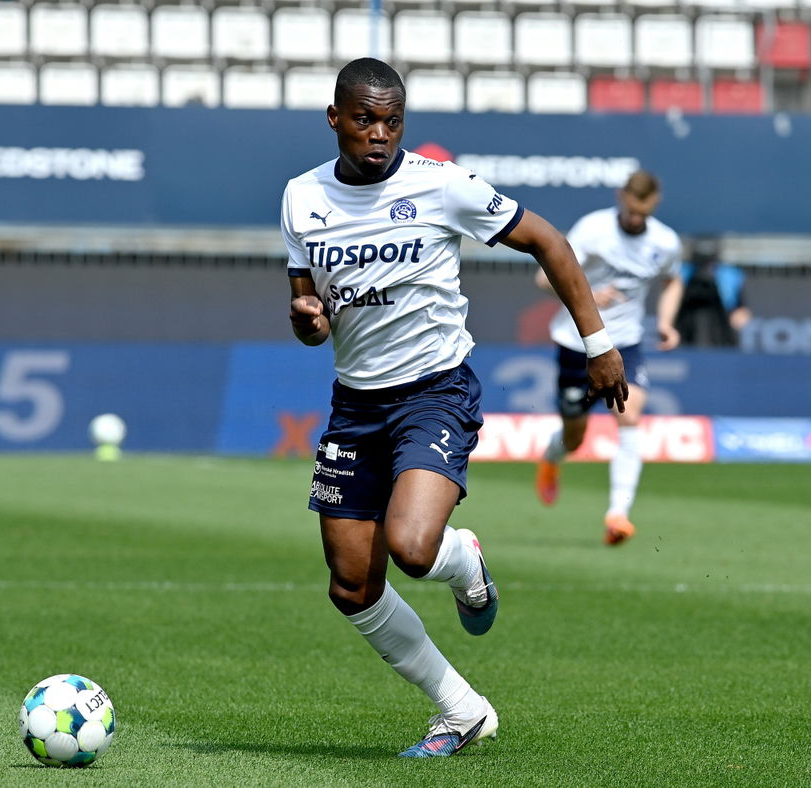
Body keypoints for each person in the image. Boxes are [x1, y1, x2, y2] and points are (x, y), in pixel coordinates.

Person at [283, 58, 627, 758]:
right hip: (355, 403)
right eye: (364, 120)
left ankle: (464, 558)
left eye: (392, 121)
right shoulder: (300, 197)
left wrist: (598, 343)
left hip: (434, 392)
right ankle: (462, 711)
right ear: (335, 119)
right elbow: (308, 308)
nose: (379, 134)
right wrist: (309, 320)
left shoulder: (442, 186)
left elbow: (548, 241)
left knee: (412, 549)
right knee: (351, 586)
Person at [533, 171, 684, 546]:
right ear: (621, 197)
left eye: (642, 212)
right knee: (575, 437)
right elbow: (543, 278)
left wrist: (666, 322)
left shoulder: (665, 241)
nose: (635, 218)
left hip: (625, 344)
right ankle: (552, 458)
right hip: (578, 341)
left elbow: (673, 281)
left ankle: (618, 515)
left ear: (654, 206)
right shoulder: (593, 229)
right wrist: (586, 295)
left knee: (629, 417)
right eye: (631, 210)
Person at [674, 235, 751, 347]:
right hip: (686, 331)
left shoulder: (730, 274)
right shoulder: (681, 271)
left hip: (721, 334)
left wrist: (738, 317)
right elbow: (671, 300)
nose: (706, 267)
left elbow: (741, 309)